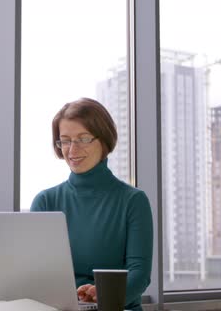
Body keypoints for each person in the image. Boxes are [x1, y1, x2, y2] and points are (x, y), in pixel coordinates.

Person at [30, 98, 153, 311]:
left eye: (83, 139)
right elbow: (36, 272)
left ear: (103, 140)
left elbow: (139, 275)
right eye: (65, 140)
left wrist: (103, 295)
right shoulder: (45, 201)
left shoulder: (133, 201)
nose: (72, 150)